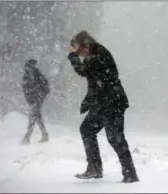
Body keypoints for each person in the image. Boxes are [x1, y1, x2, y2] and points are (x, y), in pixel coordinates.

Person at [68, 30, 139, 183]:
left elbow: (84, 71)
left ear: (85, 45)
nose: (80, 54)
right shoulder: (94, 54)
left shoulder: (98, 54)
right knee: (88, 130)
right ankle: (95, 168)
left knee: (115, 137)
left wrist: (72, 56)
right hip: (104, 102)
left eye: (79, 50)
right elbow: (94, 80)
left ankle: (129, 175)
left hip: (112, 102)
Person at [21, 59, 50, 144]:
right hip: (32, 99)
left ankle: (27, 137)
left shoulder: (37, 75)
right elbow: (25, 89)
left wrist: (40, 95)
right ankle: (45, 135)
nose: (26, 68)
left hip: (36, 99)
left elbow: (46, 86)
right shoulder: (27, 75)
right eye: (26, 67)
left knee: (33, 116)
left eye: (28, 66)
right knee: (37, 116)